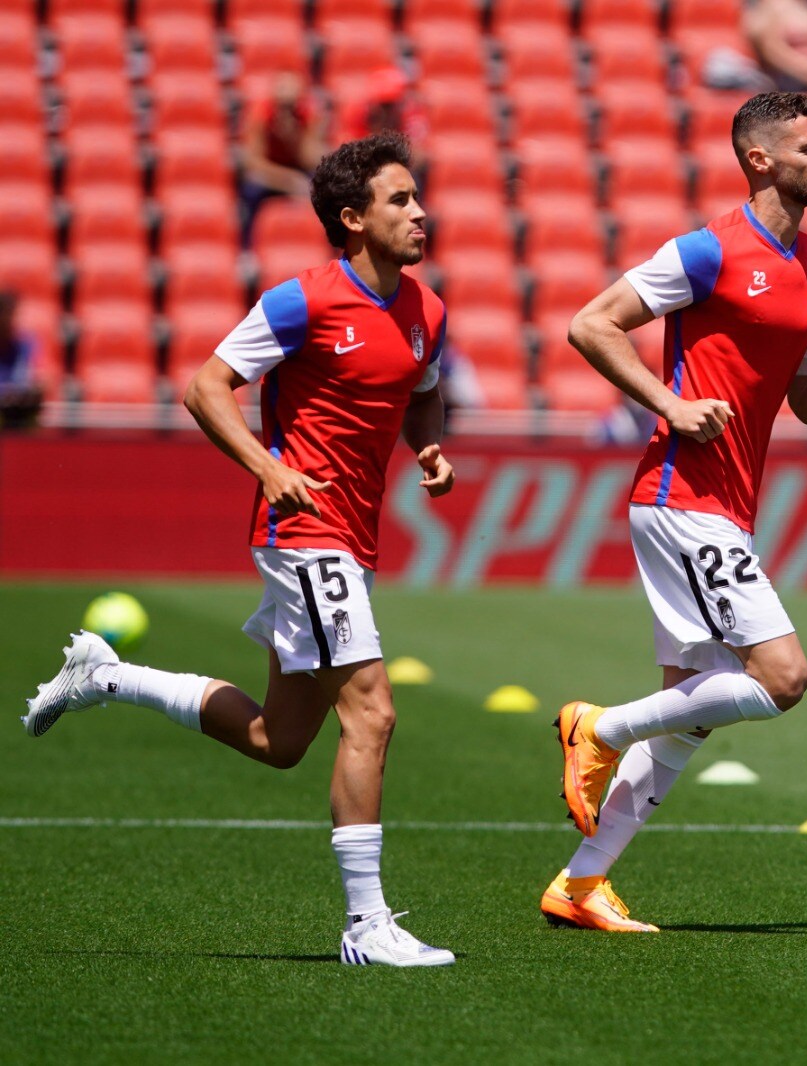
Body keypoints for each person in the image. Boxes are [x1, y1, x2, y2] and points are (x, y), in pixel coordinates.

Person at [22, 133, 458, 966]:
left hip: (351, 538)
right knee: (372, 710)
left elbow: (423, 392)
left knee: (278, 742)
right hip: (304, 535)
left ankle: (105, 675)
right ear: (352, 217)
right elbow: (205, 385)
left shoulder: (426, 311)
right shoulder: (303, 302)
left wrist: (426, 449)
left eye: (417, 196)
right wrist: (270, 466)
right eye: (400, 199)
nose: (420, 211)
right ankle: (368, 927)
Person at [541, 91, 807, 933]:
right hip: (680, 497)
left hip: (727, 507)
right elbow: (591, 326)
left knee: (694, 713)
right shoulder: (706, 252)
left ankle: (582, 885)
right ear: (759, 160)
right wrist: (668, 403)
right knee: (784, 678)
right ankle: (598, 727)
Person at [240, 71, 327, 245]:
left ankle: (327, 245)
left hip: (298, 169)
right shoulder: (260, 117)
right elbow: (253, 163)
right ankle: (247, 246)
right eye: (282, 105)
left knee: (326, 191)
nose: (285, 111)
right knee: (251, 191)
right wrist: (288, 181)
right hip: (272, 173)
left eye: (290, 105)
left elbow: (311, 159)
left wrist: (293, 137)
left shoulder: (309, 117)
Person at [0, 290, 43, 427]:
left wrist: (31, 387)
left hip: (21, 415)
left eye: (10, 314)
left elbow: (41, 380)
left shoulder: (26, 343)